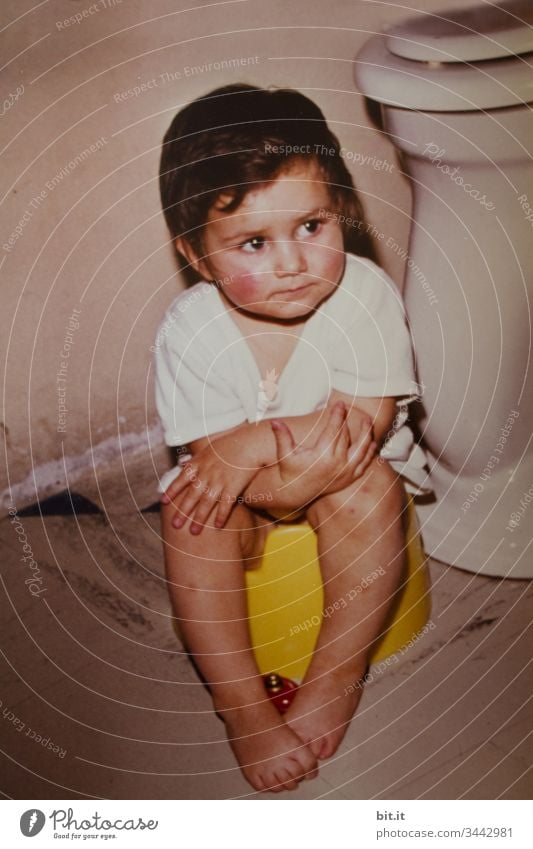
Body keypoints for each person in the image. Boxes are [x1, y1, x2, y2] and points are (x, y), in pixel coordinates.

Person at [154, 84, 428, 793]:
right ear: (198, 254)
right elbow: (217, 468)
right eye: (252, 242)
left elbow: (354, 434)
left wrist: (250, 443)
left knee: (365, 487)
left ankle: (336, 673)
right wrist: (256, 463)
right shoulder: (191, 329)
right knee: (190, 516)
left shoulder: (362, 294)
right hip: (257, 496)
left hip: (354, 480)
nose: (291, 262)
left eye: (311, 225)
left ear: (341, 209)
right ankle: (242, 703)